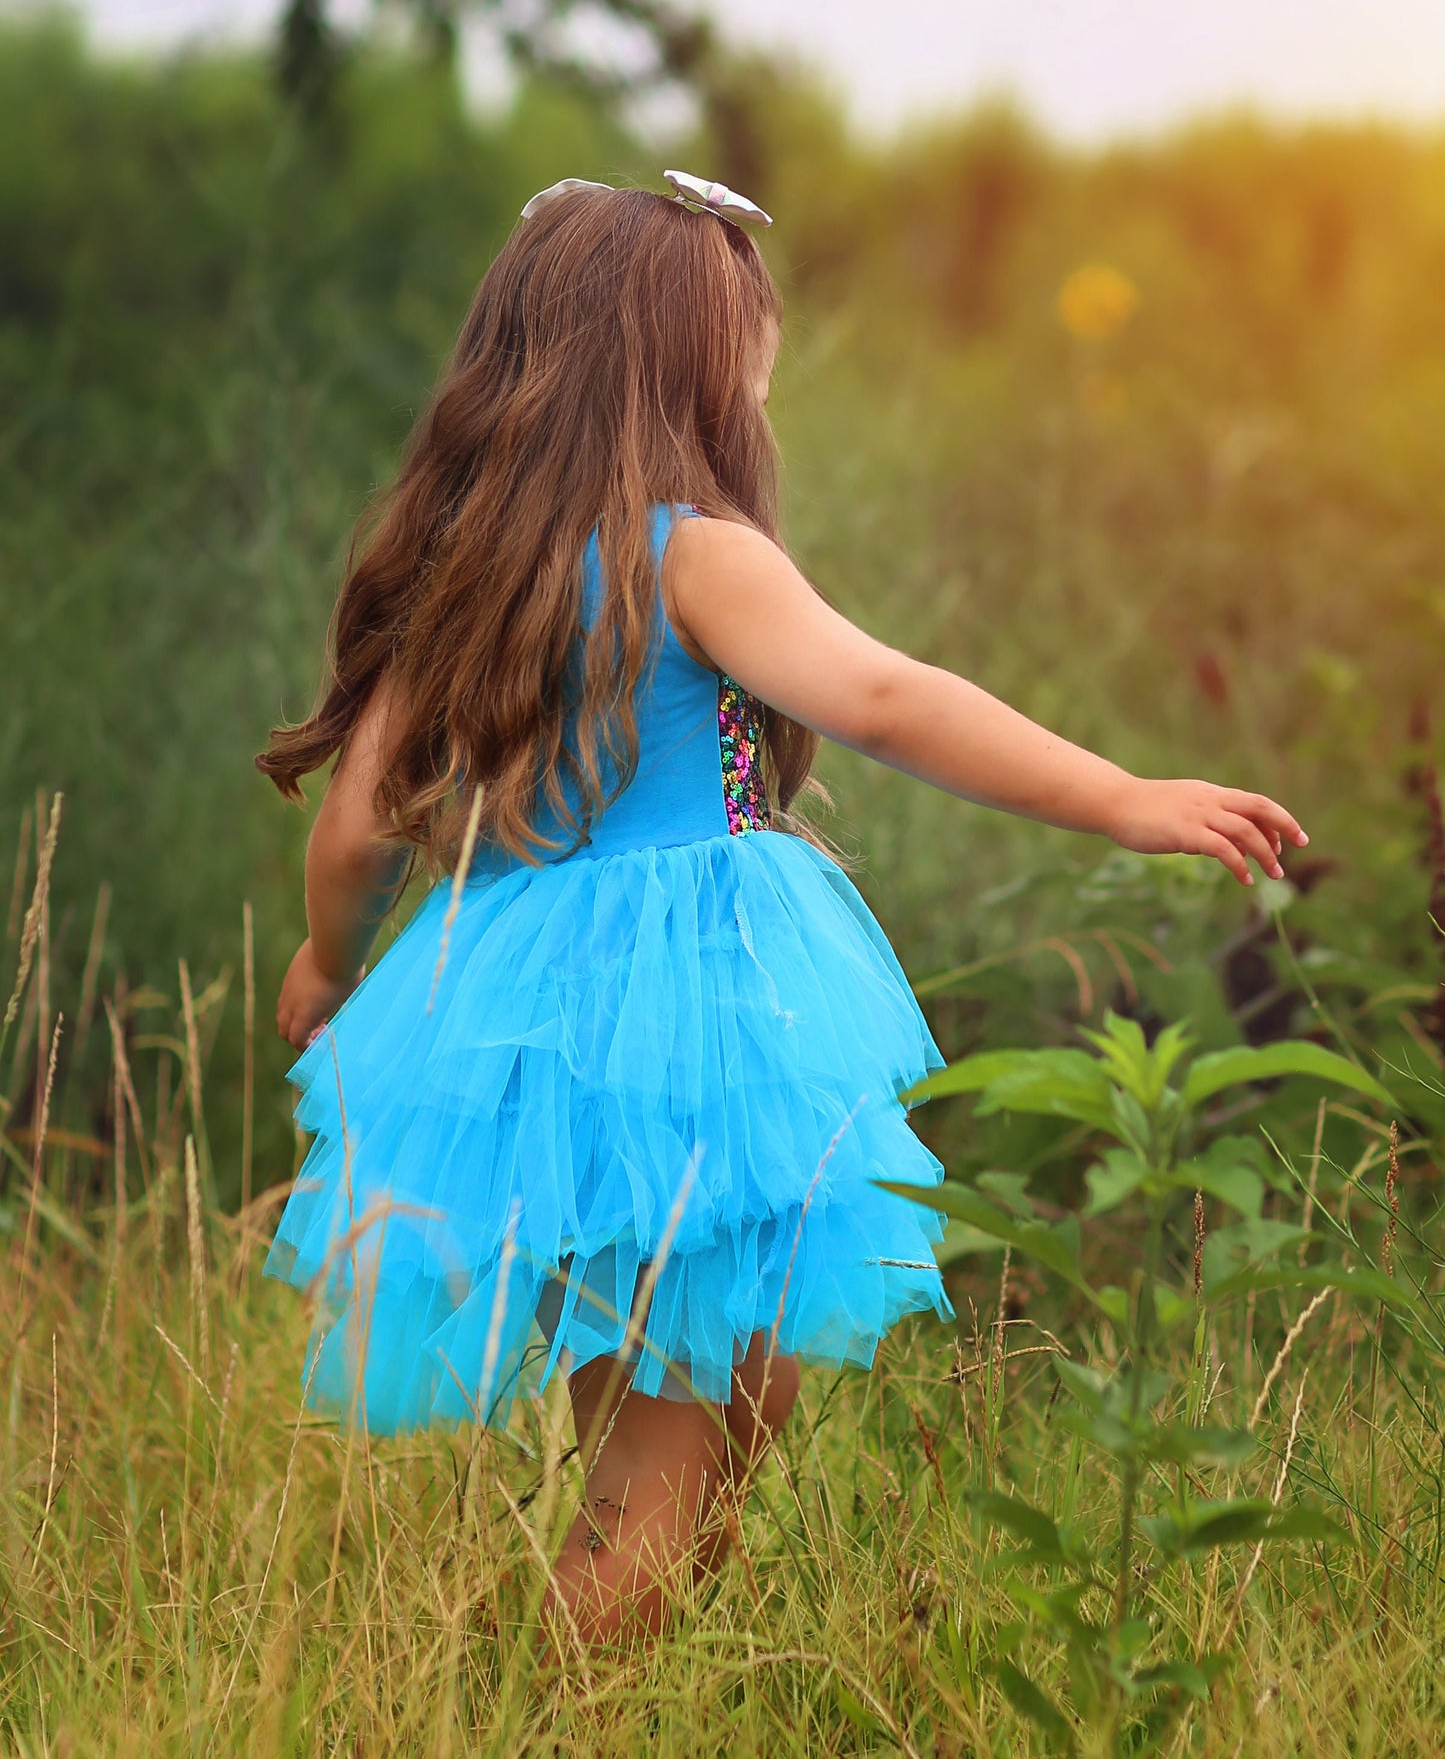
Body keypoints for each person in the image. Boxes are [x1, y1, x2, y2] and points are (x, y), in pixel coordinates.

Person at [254, 170, 1307, 1650]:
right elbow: (882, 694)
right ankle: (529, 1712)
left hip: (524, 1037)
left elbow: (358, 821)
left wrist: (326, 962)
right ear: (682, 362)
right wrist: (1121, 792)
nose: (763, 372)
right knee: (680, 1475)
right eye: (746, 340)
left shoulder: (472, 571)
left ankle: (538, 1694)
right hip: (693, 1027)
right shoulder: (692, 550)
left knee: (687, 1441)